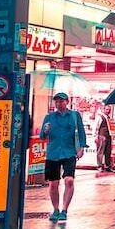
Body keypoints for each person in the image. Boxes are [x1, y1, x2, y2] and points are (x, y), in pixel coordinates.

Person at [39, 92, 86, 220]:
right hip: (53, 153)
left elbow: (81, 132)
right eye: (56, 101)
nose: (58, 104)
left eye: (61, 101)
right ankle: (55, 209)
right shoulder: (49, 117)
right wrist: (45, 130)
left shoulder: (75, 116)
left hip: (69, 152)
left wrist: (82, 147)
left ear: (67, 102)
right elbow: (42, 136)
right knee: (53, 184)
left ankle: (65, 210)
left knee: (69, 180)